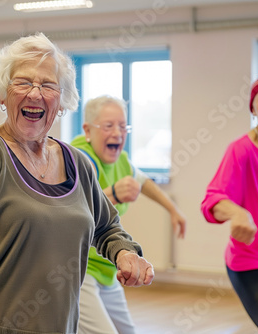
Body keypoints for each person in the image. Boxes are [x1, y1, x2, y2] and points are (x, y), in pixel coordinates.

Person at [0, 32, 154, 334]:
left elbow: (107, 227)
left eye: (47, 85)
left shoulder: (78, 163)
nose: (35, 94)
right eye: (22, 82)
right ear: (3, 95)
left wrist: (125, 252)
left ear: (61, 101)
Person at [70, 95, 186, 334]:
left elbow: (143, 181)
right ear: (88, 130)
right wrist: (112, 192)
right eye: (109, 126)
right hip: (77, 270)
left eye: (123, 126)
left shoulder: (121, 160)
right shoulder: (79, 158)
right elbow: (75, 207)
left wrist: (174, 210)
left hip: (107, 266)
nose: (117, 133)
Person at [201, 74, 258, 332]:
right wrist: (238, 214)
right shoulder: (242, 151)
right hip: (251, 263)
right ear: (253, 109)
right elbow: (212, 200)